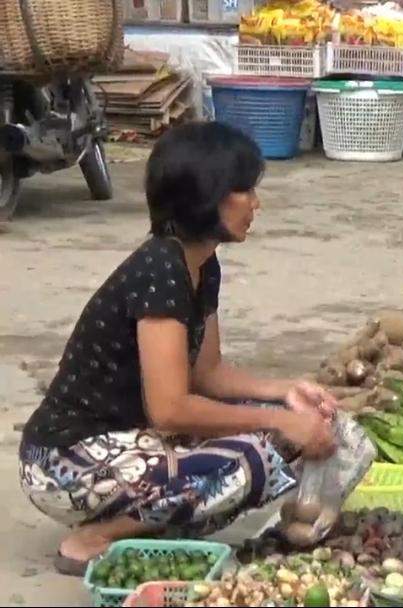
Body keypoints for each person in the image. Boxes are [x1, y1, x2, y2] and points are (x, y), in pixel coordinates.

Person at [18, 122, 339, 575]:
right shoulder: (161, 269)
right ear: (208, 196)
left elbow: (208, 375)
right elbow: (170, 408)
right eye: (244, 190)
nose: (256, 203)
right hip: (67, 460)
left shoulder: (203, 266)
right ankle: (95, 535)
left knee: (291, 434)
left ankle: (144, 523)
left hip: (134, 440)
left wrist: (286, 392)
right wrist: (276, 418)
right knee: (252, 459)